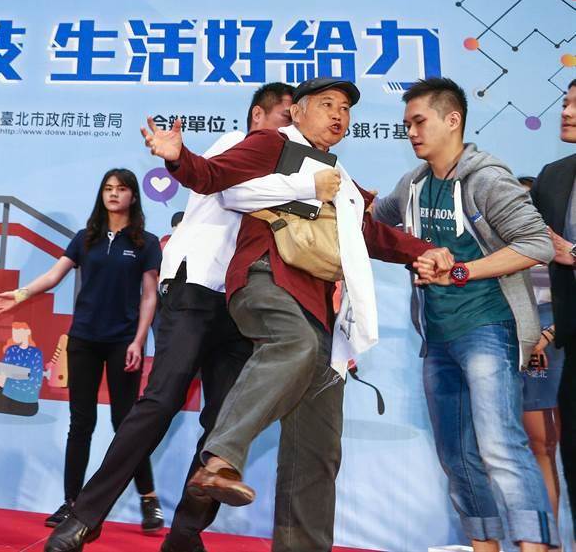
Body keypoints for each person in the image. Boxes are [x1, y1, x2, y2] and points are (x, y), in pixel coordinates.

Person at [139, 77, 443, 552]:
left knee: (318, 448)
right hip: (265, 281)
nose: (338, 114)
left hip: (322, 315)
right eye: (327, 104)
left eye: (345, 108)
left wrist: (425, 251)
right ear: (297, 111)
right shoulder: (272, 144)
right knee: (293, 344)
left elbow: (370, 233)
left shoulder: (340, 177)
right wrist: (178, 157)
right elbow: (214, 176)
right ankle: (219, 459)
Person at [47, 83, 347, 552]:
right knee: (160, 402)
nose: (291, 128)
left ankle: (186, 532)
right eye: (285, 117)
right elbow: (225, 187)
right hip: (195, 287)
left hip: (245, 300)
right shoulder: (241, 143)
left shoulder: (308, 165)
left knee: (223, 423)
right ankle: (84, 517)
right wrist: (180, 157)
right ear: (257, 117)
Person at [372, 77, 557, 550]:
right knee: (457, 457)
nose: (411, 132)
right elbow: (375, 221)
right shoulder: (413, 184)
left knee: (501, 448)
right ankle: (484, 547)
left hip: (488, 328)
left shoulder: (487, 178)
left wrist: (460, 272)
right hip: (437, 338)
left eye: (419, 121)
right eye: (406, 124)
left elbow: (536, 244)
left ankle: (535, 546)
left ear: (452, 120)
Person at [0, 168, 165, 534]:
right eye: (108, 188)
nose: (113, 194)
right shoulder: (86, 238)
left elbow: (149, 296)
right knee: (81, 422)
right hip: (84, 339)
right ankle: (72, 502)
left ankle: (148, 498)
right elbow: (54, 276)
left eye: (121, 189)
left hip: (123, 342)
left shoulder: (145, 243)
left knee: (125, 423)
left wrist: (138, 340)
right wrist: (19, 295)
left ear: (133, 196)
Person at [530, 77, 576, 539]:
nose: (565, 112)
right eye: (565, 103)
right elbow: (526, 241)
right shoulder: (553, 176)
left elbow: (566, 252)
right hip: (569, 342)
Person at [518, 176, 564, 540]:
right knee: (535, 448)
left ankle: (552, 542)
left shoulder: (557, 242)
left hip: (554, 340)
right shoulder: (503, 243)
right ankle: (545, 541)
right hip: (519, 340)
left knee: (546, 447)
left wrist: (547, 336)